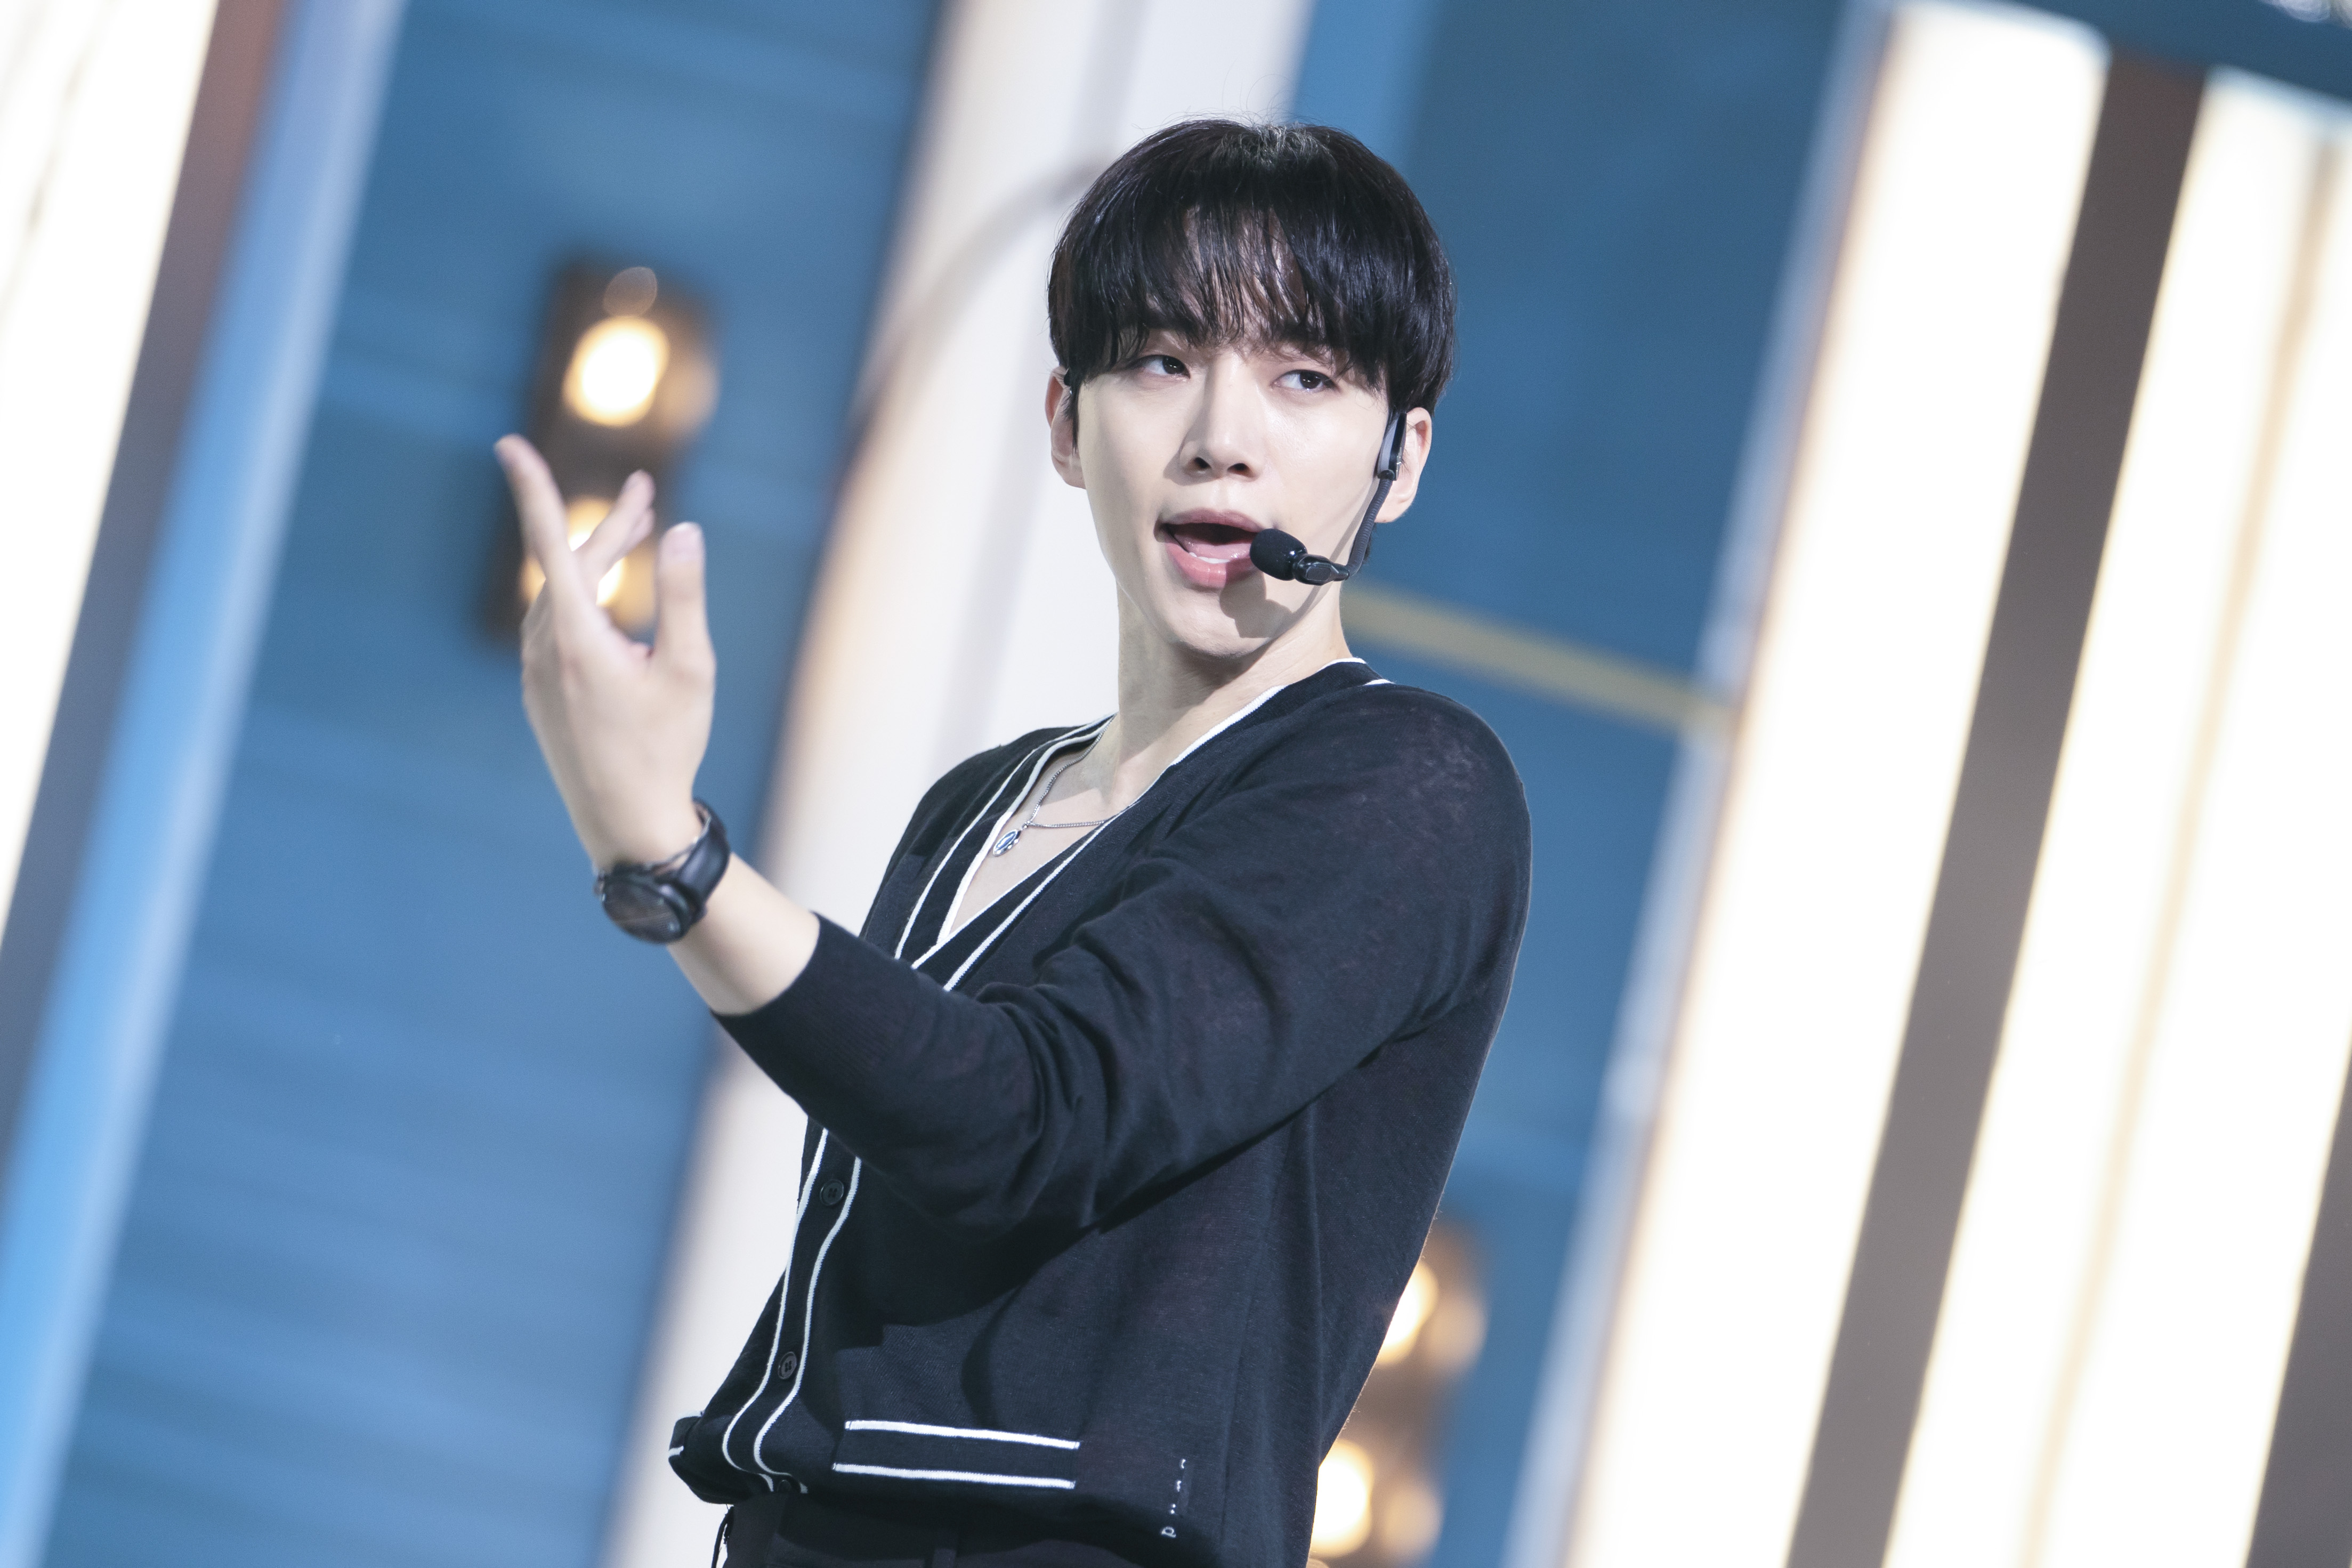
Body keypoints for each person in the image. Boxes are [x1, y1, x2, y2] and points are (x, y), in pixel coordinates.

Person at [498, 119, 1531, 1568]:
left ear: (1399, 457)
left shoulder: (1412, 784)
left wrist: (677, 862)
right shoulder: (981, 806)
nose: (1221, 435)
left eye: (1304, 378)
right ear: (1064, 422)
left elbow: (1033, 1121)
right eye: (1161, 361)